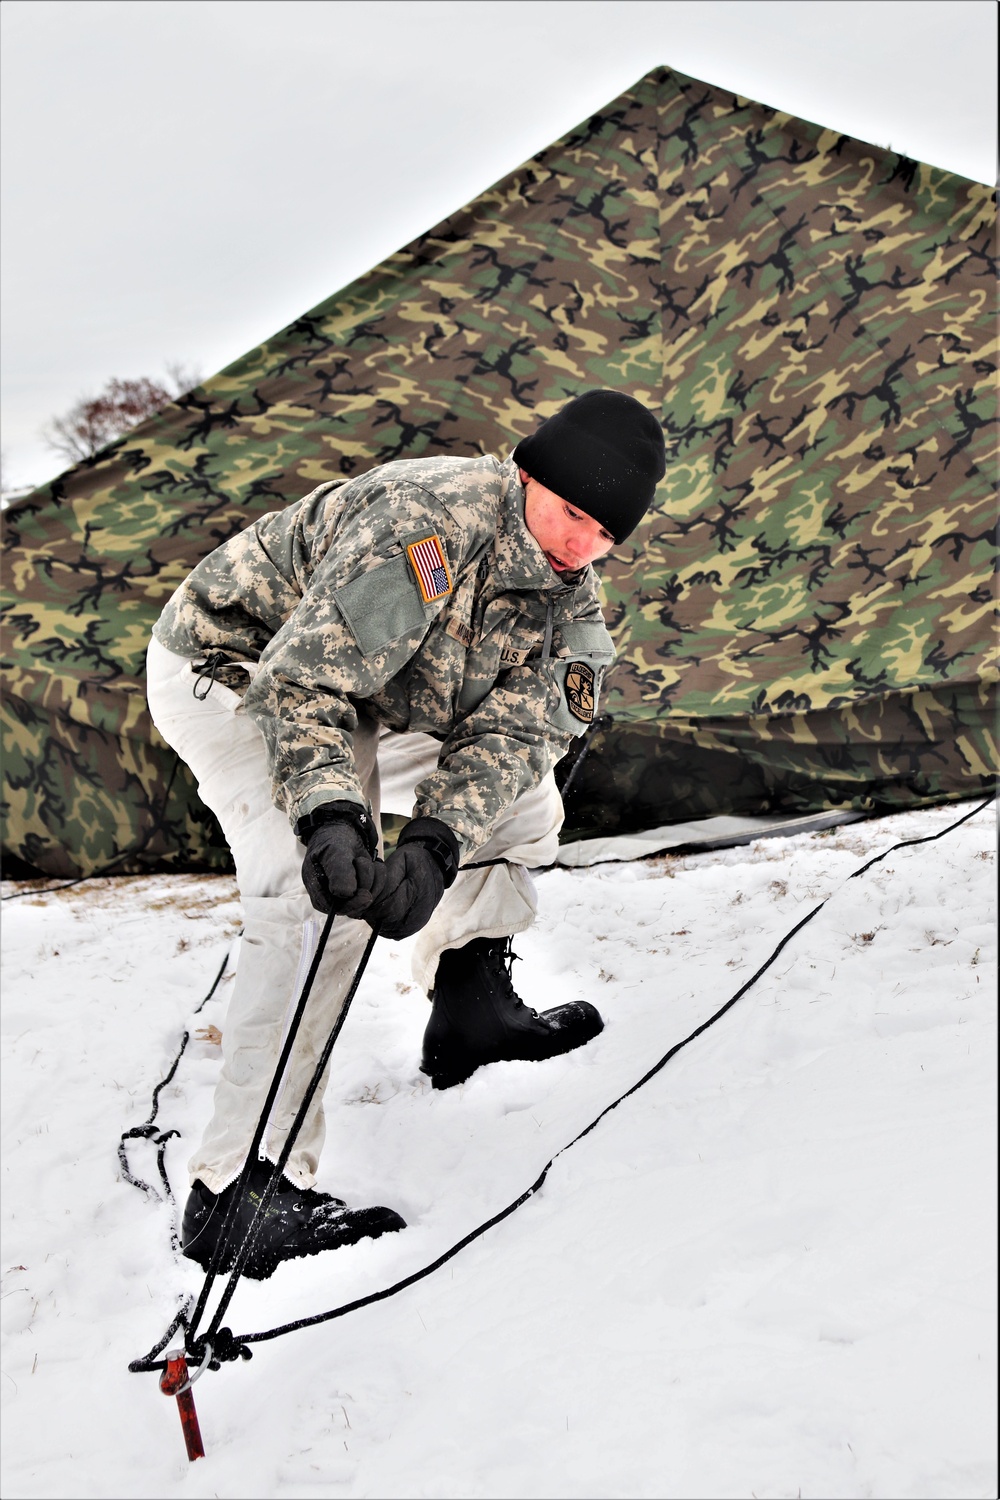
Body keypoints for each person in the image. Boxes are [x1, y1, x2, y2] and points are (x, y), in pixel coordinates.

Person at [145, 388, 666, 1279]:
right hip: (238, 668)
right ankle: (237, 1189)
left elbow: (511, 736)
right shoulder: (427, 526)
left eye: (605, 534)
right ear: (528, 472)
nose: (582, 546)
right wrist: (333, 815)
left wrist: (432, 849)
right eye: (572, 513)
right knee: (319, 902)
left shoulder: (570, 602)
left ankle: (470, 1002)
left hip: (373, 696)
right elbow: (304, 685)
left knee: (525, 799)